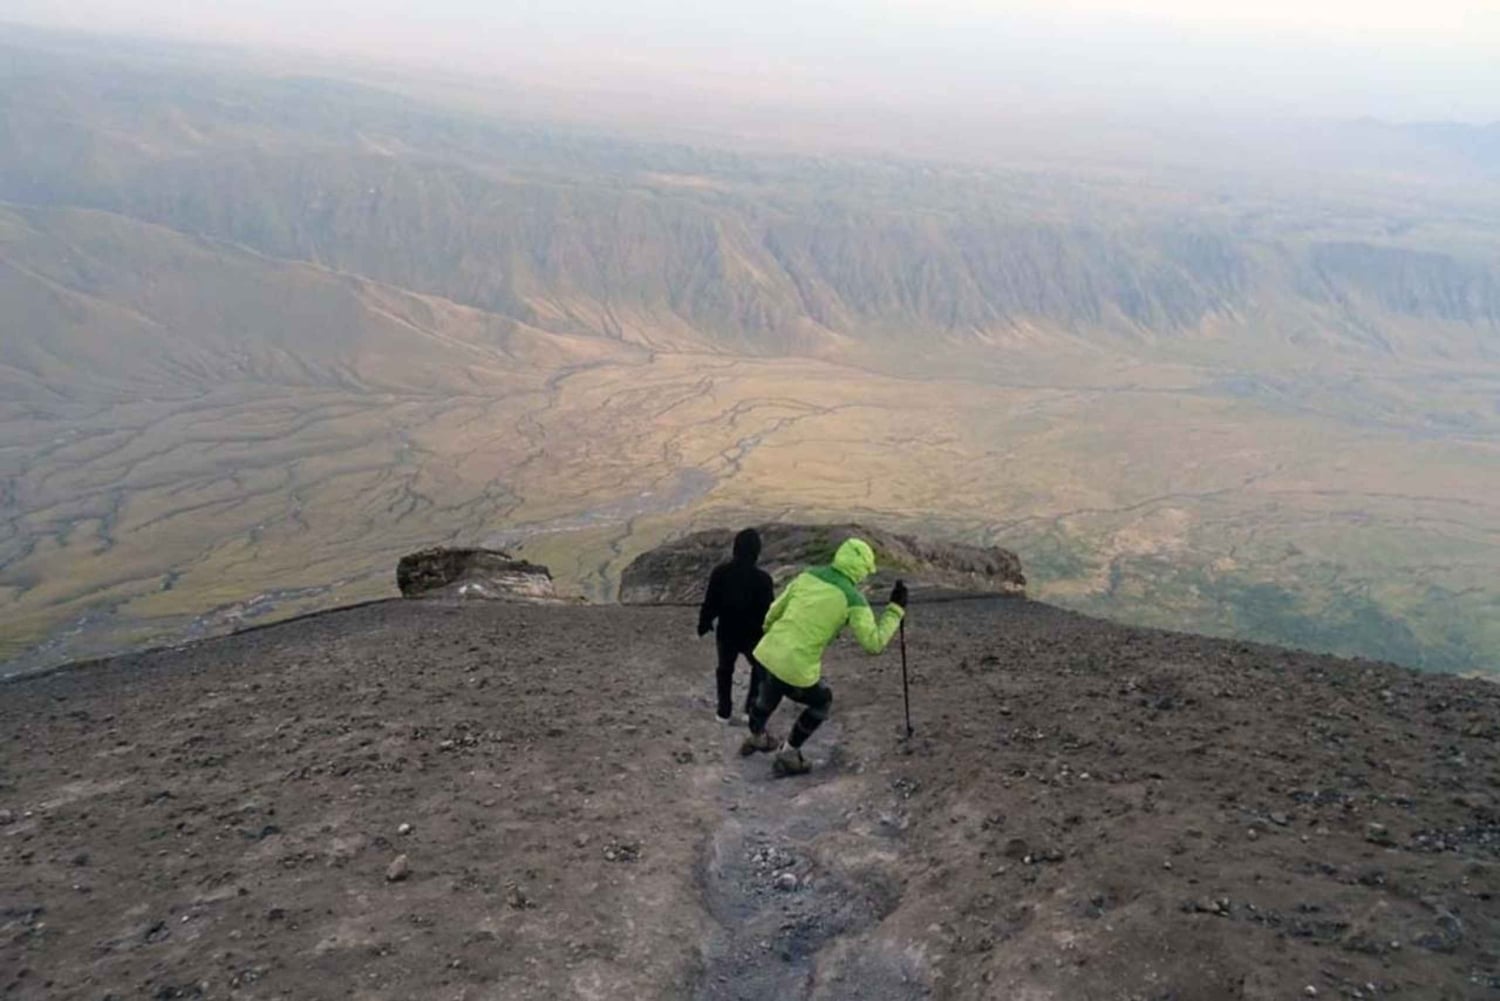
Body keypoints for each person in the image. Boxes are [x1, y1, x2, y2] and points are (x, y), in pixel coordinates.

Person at [741, 537, 908, 776]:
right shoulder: (854, 600)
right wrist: (896, 610)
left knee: (770, 689)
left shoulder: (807, 576)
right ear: (860, 570)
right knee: (821, 701)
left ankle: (757, 736)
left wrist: (775, 640)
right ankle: (789, 753)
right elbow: (874, 644)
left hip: (768, 651)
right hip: (796, 667)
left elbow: (774, 611)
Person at [698, 528, 775, 723]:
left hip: (727, 631)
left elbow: (710, 602)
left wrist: (704, 623)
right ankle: (750, 709)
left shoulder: (721, 573)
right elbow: (769, 610)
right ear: (756, 551)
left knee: (725, 669)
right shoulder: (763, 579)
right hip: (754, 634)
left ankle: (723, 711)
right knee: (759, 669)